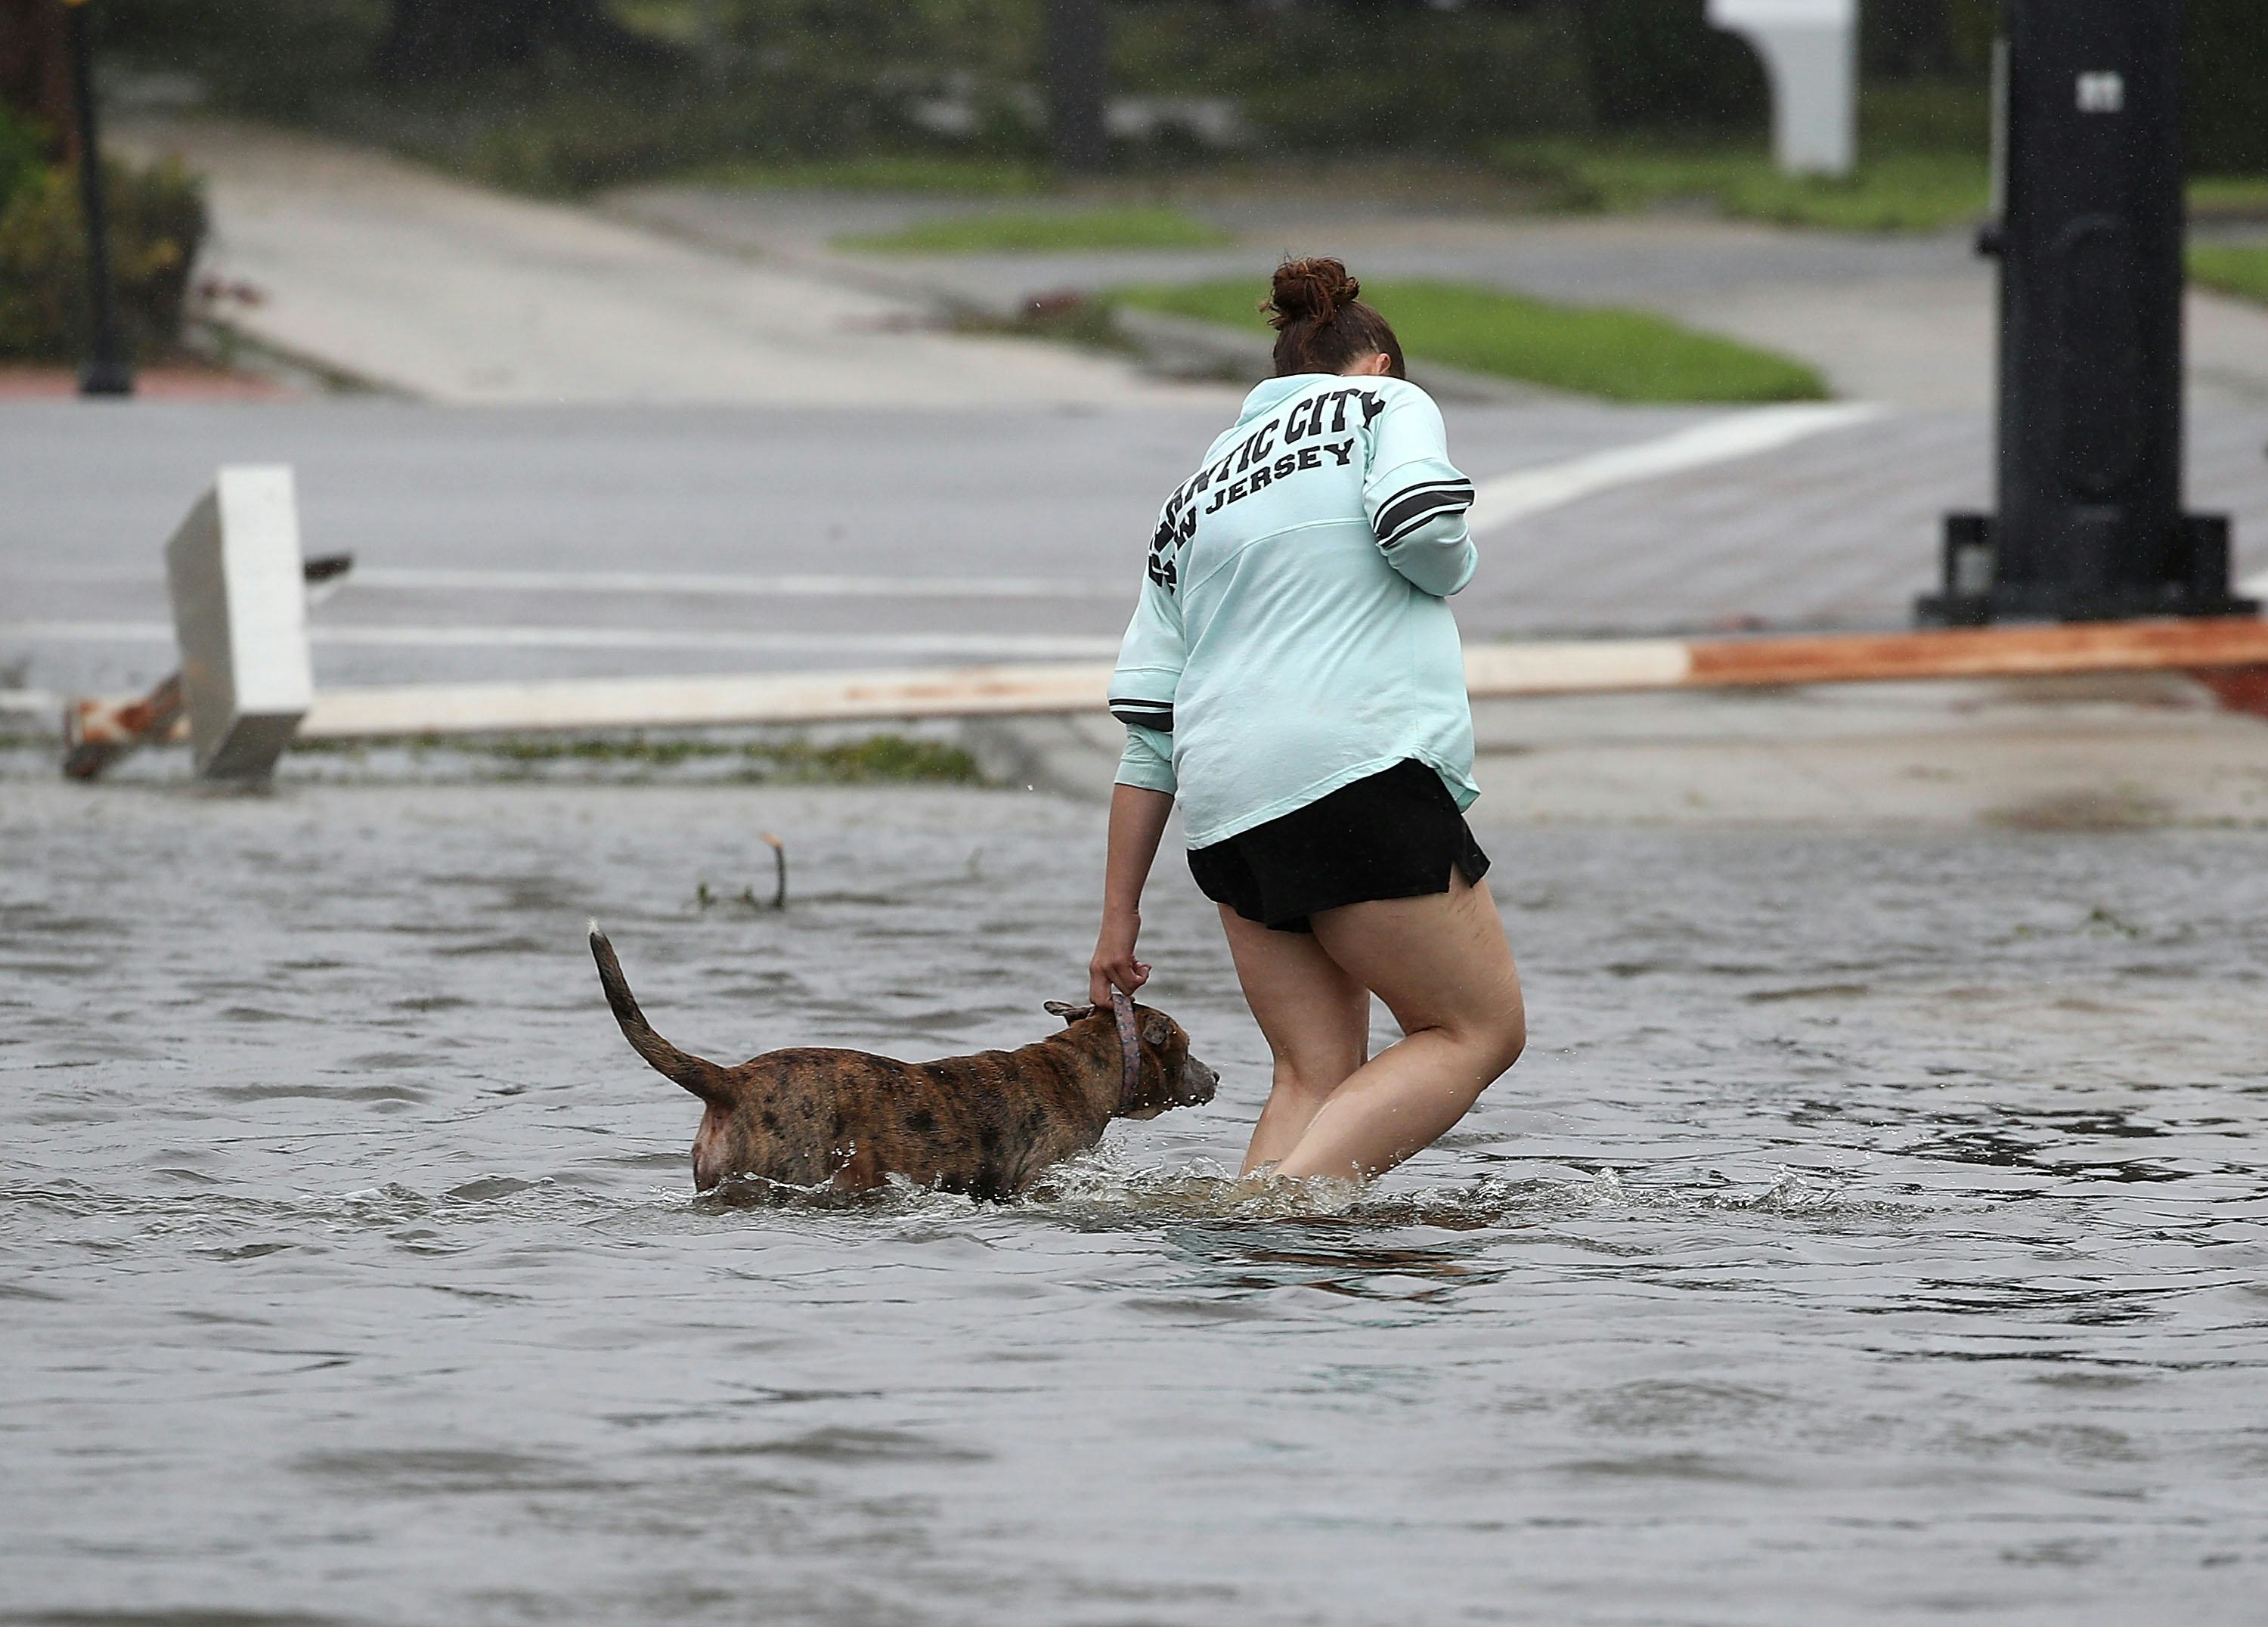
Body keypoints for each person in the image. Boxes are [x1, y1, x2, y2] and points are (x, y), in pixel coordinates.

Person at [1087, 256, 1526, 1184]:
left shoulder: (1193, 494)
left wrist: (1116, 920)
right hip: (1354, 769)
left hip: (1226, 808)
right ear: (1374, 365)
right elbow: (1418, 524)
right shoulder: (1386, 406)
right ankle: (1287, 1206)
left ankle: (1261, 1263)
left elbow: (1149, 728)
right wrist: (1451, 568)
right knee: (1475, 1030)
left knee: (1312, 1072)